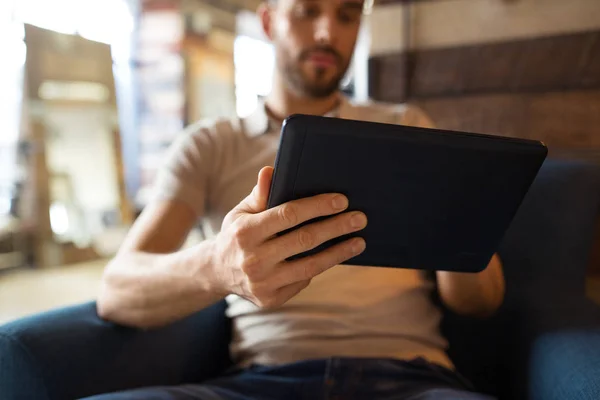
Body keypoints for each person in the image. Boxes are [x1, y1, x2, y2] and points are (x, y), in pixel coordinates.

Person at [90, 0, 505, 399]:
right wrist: (218, 265)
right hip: (261, 381)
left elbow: (482, 303)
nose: (328, 33)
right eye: (307, 11)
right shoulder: (208, 146)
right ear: (268, 23)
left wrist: (457, 226)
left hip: (410, 378)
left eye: (347, 15)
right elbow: (116, 292)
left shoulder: (408, 128)